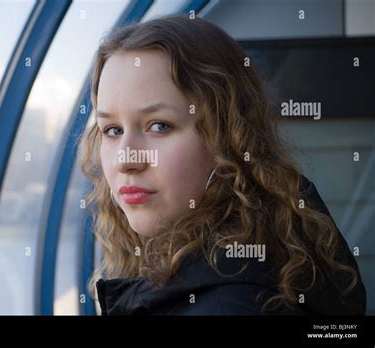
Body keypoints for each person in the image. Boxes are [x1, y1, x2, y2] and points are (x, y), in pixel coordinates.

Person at [79, 14, 366, 315]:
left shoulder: (227, 305)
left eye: (159, 126)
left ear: (225, 137)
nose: (126, 160)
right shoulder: (270, 258)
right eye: (112, 130)